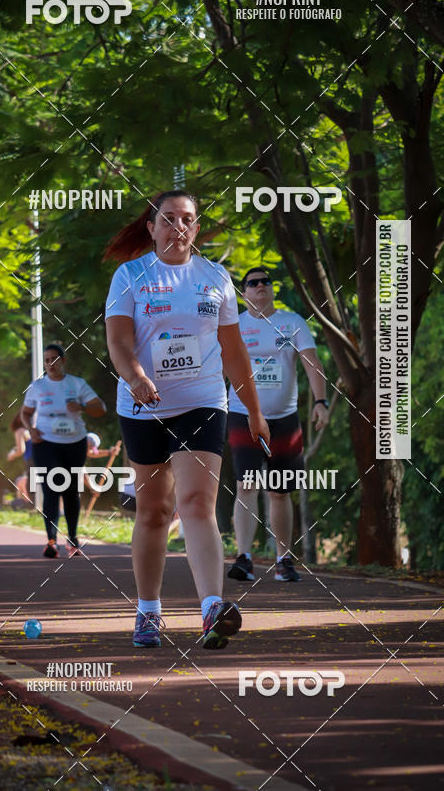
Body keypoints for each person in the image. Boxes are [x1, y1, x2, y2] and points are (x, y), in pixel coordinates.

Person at [104, 189, 270, 650]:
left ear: (196, 229)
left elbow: (234, 352)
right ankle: (148, 611)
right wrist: (135, 377)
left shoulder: (215, 277)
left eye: (187, 220)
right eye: (169, 219)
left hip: (203, 400)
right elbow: (118, 343)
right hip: (143, 405)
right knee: (154, 511)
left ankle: (212, 607)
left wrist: (253, 411)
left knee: (197, 502)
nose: (179, 227)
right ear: (152, 227)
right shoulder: (131, 276)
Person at [227, 267, 330, 583]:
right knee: (247, 485)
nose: (260, 287)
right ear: (243, 294)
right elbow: (218, 367)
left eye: (265, 282)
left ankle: (284, 560)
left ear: (273, 290)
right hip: (243, 416)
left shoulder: (292, 322)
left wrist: (320, 401)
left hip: (285, 419)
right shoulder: (234, 326)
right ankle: (244, 557)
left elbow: (312, 363)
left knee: (280, 492)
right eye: (252, 283)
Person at [20, 344, 106, 558]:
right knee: (51, 487)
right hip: (46, 442)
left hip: (75, 441)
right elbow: (25, 413)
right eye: (47, 360)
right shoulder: (37, 386)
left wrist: (82, 407)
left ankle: (73, 537)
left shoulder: (76, 384)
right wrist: (31, 430)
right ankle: (51, 540)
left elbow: (101, 408)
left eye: (54, 359)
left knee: (70, 490)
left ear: (63, 361)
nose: (50, 364)